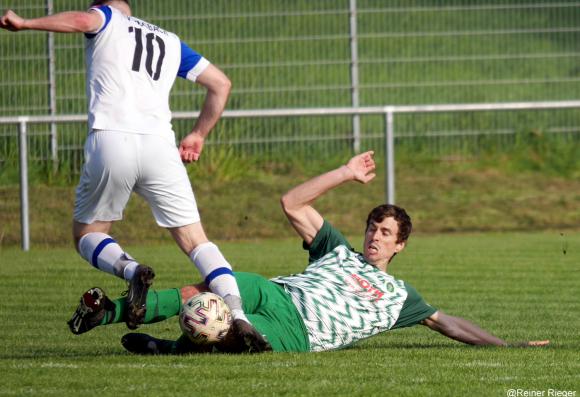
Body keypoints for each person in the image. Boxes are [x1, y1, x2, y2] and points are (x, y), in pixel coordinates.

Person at [68, 151, 549, 353]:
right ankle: (111, 311)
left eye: (386, 233)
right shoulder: (335, 250)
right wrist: (344, 172)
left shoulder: (401, 296)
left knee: (232, 341)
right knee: (222, 284)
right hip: (275, 294)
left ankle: (166, 349)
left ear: (401, 245)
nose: (375, 237)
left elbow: (450, 323)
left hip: (299, 331)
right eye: (372, 227)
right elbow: (291, 202)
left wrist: (508, 349)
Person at [0, 1, 270, 351]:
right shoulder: (170, 41)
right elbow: (220, 83)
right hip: (160, 146)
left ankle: (131, 270)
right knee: (197, 241)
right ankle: (239, 315)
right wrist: (198, 134)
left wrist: (26, 23)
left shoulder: (107, 18)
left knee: (87, 233)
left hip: (113, 139)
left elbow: (84, 20)